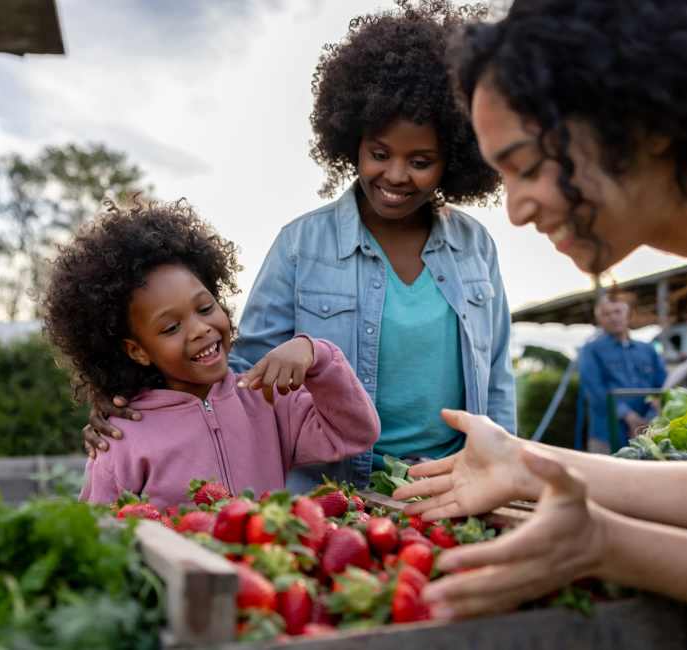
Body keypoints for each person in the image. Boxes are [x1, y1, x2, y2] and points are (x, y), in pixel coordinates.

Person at [393, 0, 687, 625]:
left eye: (530, 167)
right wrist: (528, 464)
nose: (514, 210)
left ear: (643, 118)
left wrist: (607, 546)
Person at [83, 0, 515, 493]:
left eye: (421, 160)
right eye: (379, 154)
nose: (395, 175)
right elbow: (238, 374)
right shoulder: (301, 245)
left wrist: (506, 467)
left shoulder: (474, 246)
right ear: (351, 141)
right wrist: (129, 400)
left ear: (454, 159)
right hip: (336, 490)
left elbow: (497, 375)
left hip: (453, 482)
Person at [41, 199, 379, 507]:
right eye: (171, 328)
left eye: (205, 307)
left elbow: (355, 434)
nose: (200, 328)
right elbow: (101, 536)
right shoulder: (121, 439)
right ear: (138, 351)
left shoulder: (267, 398)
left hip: (269, 570)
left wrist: (315, 353)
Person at [578, 294, 667, 452]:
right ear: (599, 320)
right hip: (607, 436)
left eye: (617, 311)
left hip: (649, 434)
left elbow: (662, 386)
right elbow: (595, 391)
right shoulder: (590, 351)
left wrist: (649, 418)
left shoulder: (648, 350)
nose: (613, 317)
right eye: (606, 314)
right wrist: (629, 417)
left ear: (628, 314)